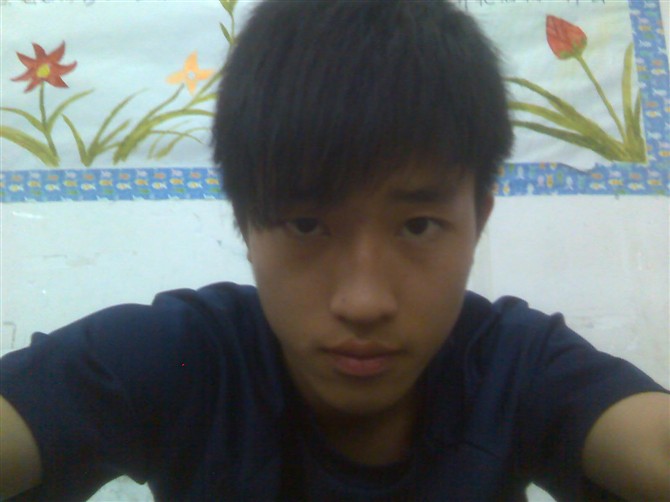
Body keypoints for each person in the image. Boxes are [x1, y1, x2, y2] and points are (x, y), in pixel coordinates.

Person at [1, 1, 668, 500]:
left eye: (418, 226)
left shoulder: (515, 368)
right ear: (245, 221)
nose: (364, 302)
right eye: (305, 224)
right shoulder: (182, 358)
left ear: (479, 220)